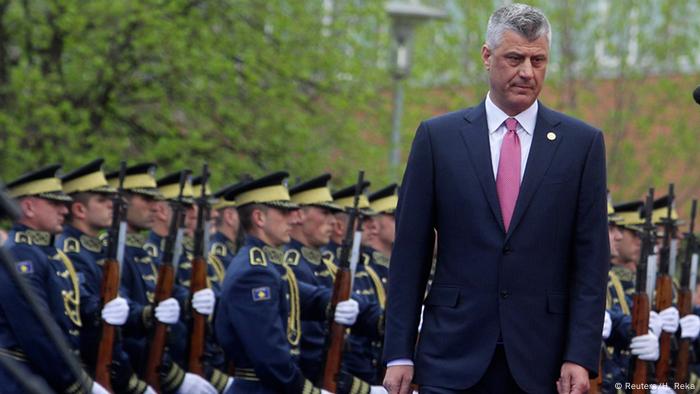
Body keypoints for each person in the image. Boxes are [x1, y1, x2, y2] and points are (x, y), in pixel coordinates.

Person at [382, 4, 610, 394]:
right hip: (451, 354)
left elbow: (591, 260)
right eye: (514, 58)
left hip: (542, 360)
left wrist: (581, 354)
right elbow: (409, 254)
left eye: (538, 60)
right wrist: (399, 352)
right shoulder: (439, 139)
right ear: (487, 57)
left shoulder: (581, 144)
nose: (527, 72)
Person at [1, 164, 108, 393]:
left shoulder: (52, 254)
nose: (64, 209)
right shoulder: (20, 255)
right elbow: (37, 332)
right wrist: (77, 384)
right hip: (26, 382)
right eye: (54, 203)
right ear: (28, 207)